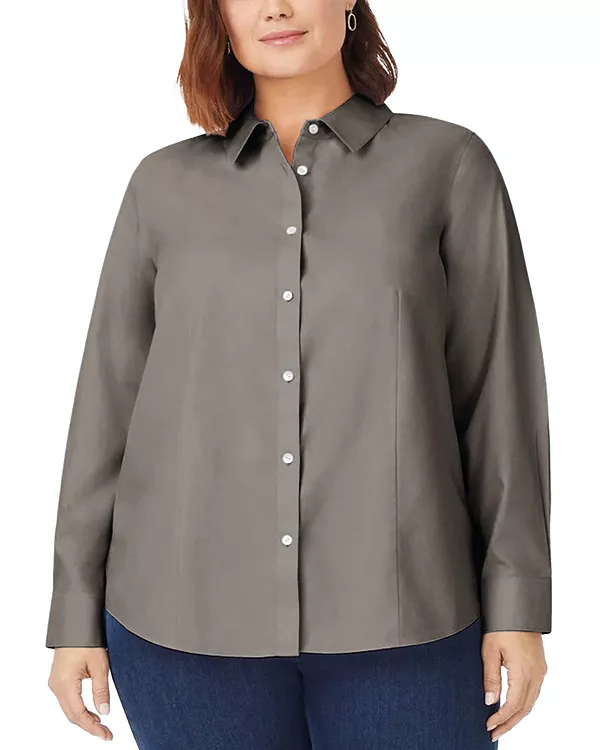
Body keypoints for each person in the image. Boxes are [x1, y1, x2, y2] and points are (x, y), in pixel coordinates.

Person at [45, 1, 552, 748]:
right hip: (182, 628)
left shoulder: (448, 165)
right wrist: (73, 615)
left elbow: (498, 400)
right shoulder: (161, 186)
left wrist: (518, 605)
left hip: (407, 623)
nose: (275, 7)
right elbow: (106, 408)